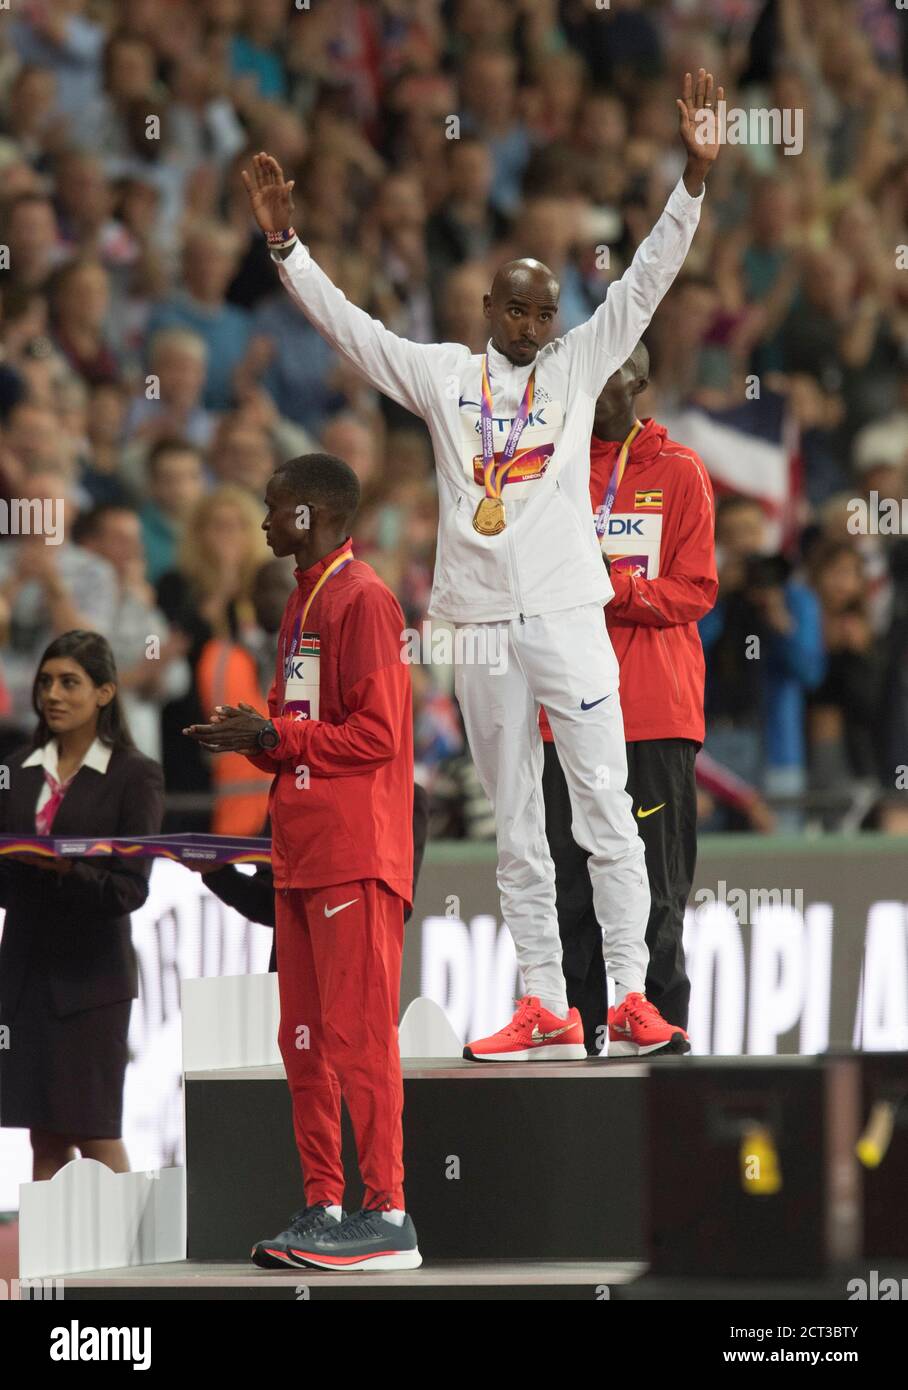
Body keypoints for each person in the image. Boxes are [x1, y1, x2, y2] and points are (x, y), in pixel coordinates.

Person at [241, 68, 722, 1062]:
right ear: (486, 306)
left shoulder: (578, 368)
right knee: (514, 822)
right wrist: (287, 250)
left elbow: (643, 281)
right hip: (472, 623)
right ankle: (544, 996)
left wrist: (693, 179)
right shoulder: (444, 378)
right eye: (515, 309)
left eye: (543, 313)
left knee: (603, 806)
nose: (529, 326)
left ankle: (628, 992)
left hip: (565, 616)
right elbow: (352, 329)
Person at [184, 453, 419, 1271]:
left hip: (356, 853)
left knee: (357, 1036)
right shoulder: (301, 603)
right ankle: (325, 1203)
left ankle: (387, 1213)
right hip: (302, 851)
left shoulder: (366, 601)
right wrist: (256, 738)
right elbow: (300, 735)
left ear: (312, 517)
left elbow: (379, 735)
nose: (262, 522)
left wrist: (274, 736)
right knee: (305, 1039)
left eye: (274, 509)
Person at [540, 344, 717, 1052]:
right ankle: (577, 1051)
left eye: (609, 367)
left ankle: (665, 1054)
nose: (591, 381)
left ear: (640, 382)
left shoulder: (678, 473)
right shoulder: (549, 472)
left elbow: (696, 589)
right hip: (565, 714)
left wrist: (616, 588)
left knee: (656, 892)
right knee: (571, 897)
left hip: (652, 712)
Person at [0, 630, 164, 1179]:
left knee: (95, 1133)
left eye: (70, 682)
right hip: (24, 975)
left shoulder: (134, 775)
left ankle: (136, 1264)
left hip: (93, 984)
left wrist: (68, 870)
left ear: (105, 692)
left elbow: (130, 890)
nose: (53, 694)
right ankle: (50, 1264)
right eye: (46, 681)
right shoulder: (15, 770)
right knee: (43, 1138)